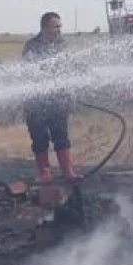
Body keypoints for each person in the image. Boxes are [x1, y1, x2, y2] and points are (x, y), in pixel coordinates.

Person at [22, 11, 79, 183]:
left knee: (61, 135)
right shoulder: (32, 46)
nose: (59, 30)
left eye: (60, 26)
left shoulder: (63, 45)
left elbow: (70, 67)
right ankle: (44, 173)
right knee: (39, 138)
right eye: (56, 26)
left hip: (58, 100)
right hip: (35, 101)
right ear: (45, 27)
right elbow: (29, 69)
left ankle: (68, 171)